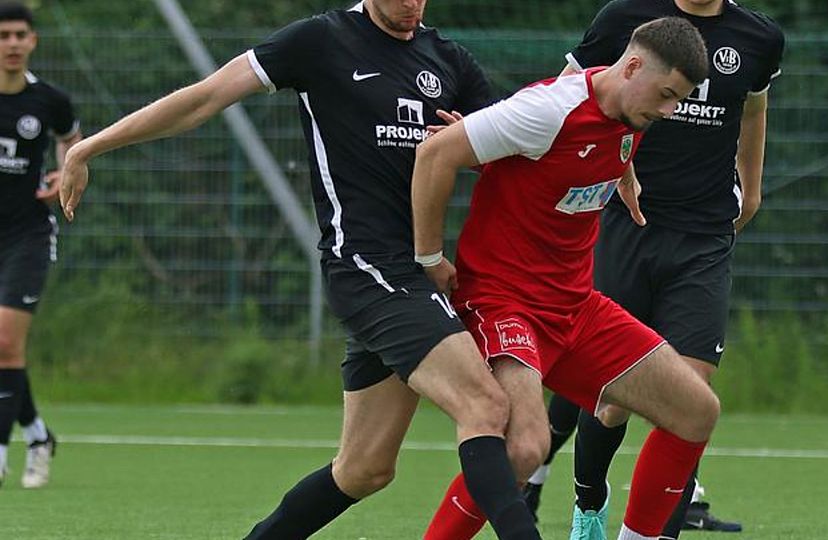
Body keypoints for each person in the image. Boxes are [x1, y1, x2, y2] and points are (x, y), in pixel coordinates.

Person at [59, 1, 542, 538]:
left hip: (418, 275)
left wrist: (476, 145)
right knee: (483, 404)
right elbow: (206, 97)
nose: (413, 4)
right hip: (365, 267)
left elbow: (517, 149)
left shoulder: (447, 58)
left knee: (364, 470)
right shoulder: (321, 40)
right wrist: (90, 146)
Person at [414, 17, 719, 540]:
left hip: (575, 306)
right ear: (633, 66)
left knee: (697, 410)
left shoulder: (628, 111)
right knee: (522, 447)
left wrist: (622, 173)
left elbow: (578, 154)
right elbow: (435, 153)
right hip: (505, 302)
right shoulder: (548, 109)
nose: (669, 111)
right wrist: (429, 257)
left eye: (679, 101)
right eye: (667, 95)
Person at [522, 0, 785, 537]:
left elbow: (754, 111)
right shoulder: (625, 18)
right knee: (613, 396)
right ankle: (588, 503)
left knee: (691, 397)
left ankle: (646, 534)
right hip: (626, 225)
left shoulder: (758, 36)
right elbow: (572, 96)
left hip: (704, 234)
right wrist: (599, 170)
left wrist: (751, 188)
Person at [0, 1, 81, 490]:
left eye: (18, 35)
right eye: (3, 35)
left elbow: (72, 143)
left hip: (27, 234)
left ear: (32, 42)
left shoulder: (49, 100)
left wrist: (61, 175)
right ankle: (38, 434)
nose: (11, 44)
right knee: (2, 349)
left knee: (6, 342)